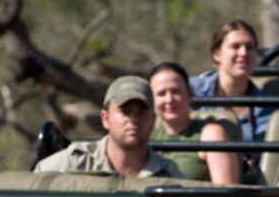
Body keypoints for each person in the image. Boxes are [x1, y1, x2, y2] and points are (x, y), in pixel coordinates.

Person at [35, 76, 185, 178]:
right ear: (105, 119)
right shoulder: (71, 164)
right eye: (125, 111)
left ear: (153, 121)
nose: (133, 120)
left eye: (141, 112)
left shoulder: (170, 176)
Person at [148, 62, 240, 184]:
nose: (169, 99)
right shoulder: (147, 137)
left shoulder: (211, 134)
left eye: (176, 91)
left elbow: (228, 193)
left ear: (190, 93)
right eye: (161, 94)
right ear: (151, 100)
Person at [188, 19, 272, 142]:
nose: (243, 53)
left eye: (249, 47)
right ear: (217, 54)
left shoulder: (269, 107)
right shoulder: (189, 91)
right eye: (235, 46)